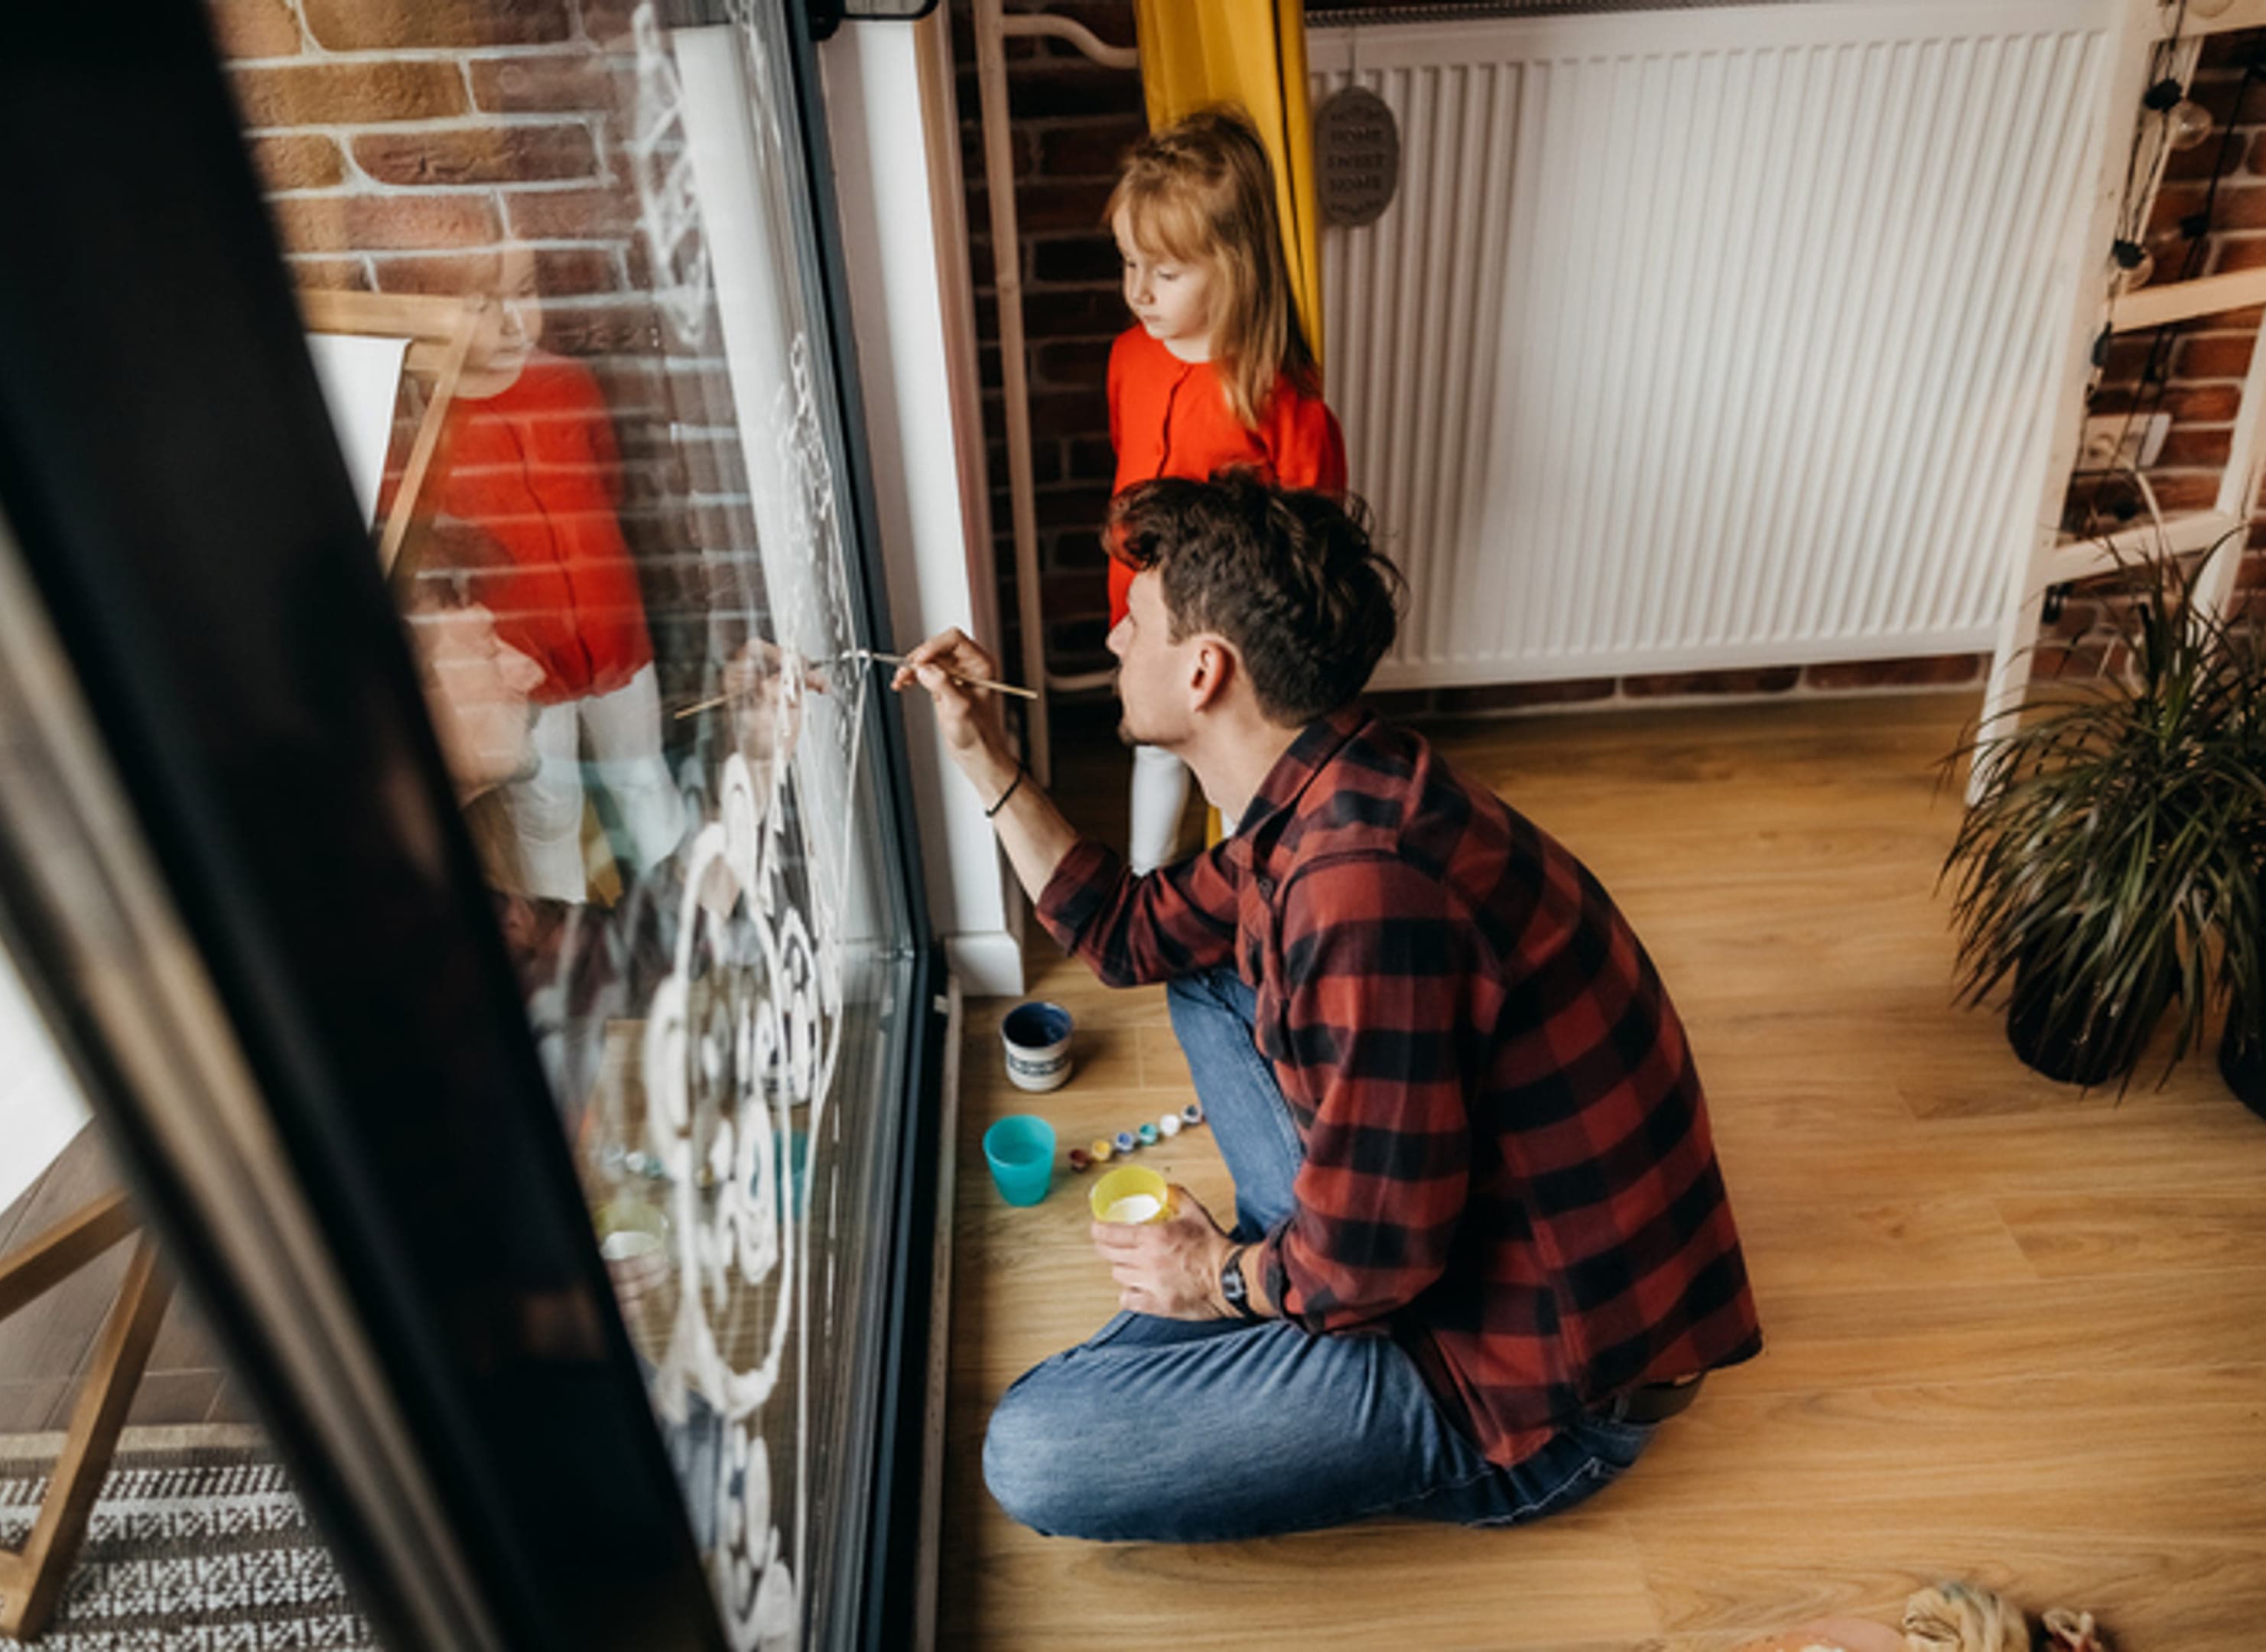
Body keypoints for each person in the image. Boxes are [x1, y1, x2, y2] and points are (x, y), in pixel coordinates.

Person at [892, 473, 1760, 1543]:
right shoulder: (1326, 781)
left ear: (1204, 671)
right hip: (1433, 1245)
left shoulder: (1358, 890)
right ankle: (1274, 1283)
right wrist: (981, 754)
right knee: (1208, 969)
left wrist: (1216, 1279)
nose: (1115, 642)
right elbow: (1122, 932)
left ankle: (1270, 1289)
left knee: (1032, 1449)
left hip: (1535, 1390)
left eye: (1136, 622)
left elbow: (1374, 1263)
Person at [1104, 106, 1348, 873]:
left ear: (1233, 267)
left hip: (1234, 637)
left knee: (1238, 776)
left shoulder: (1275, 396)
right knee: (1154, 749)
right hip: (1145, 616)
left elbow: (1313, 532)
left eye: (1165, 272)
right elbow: (1126, 472)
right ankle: (1146, 886)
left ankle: (1247, 891)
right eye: (1127, 264)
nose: (1139, 291)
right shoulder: (1126, 357)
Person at [425, 244, 684, 902]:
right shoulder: (423, 423)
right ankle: (568, 942)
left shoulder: (569, 384)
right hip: (522, 663)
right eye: (483, 304)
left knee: (641, 773)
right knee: (547, 812)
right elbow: (427, 557)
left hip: (614, 633)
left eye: (525, 290)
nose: (514, 320)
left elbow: (607, 487)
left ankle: (692, 920)